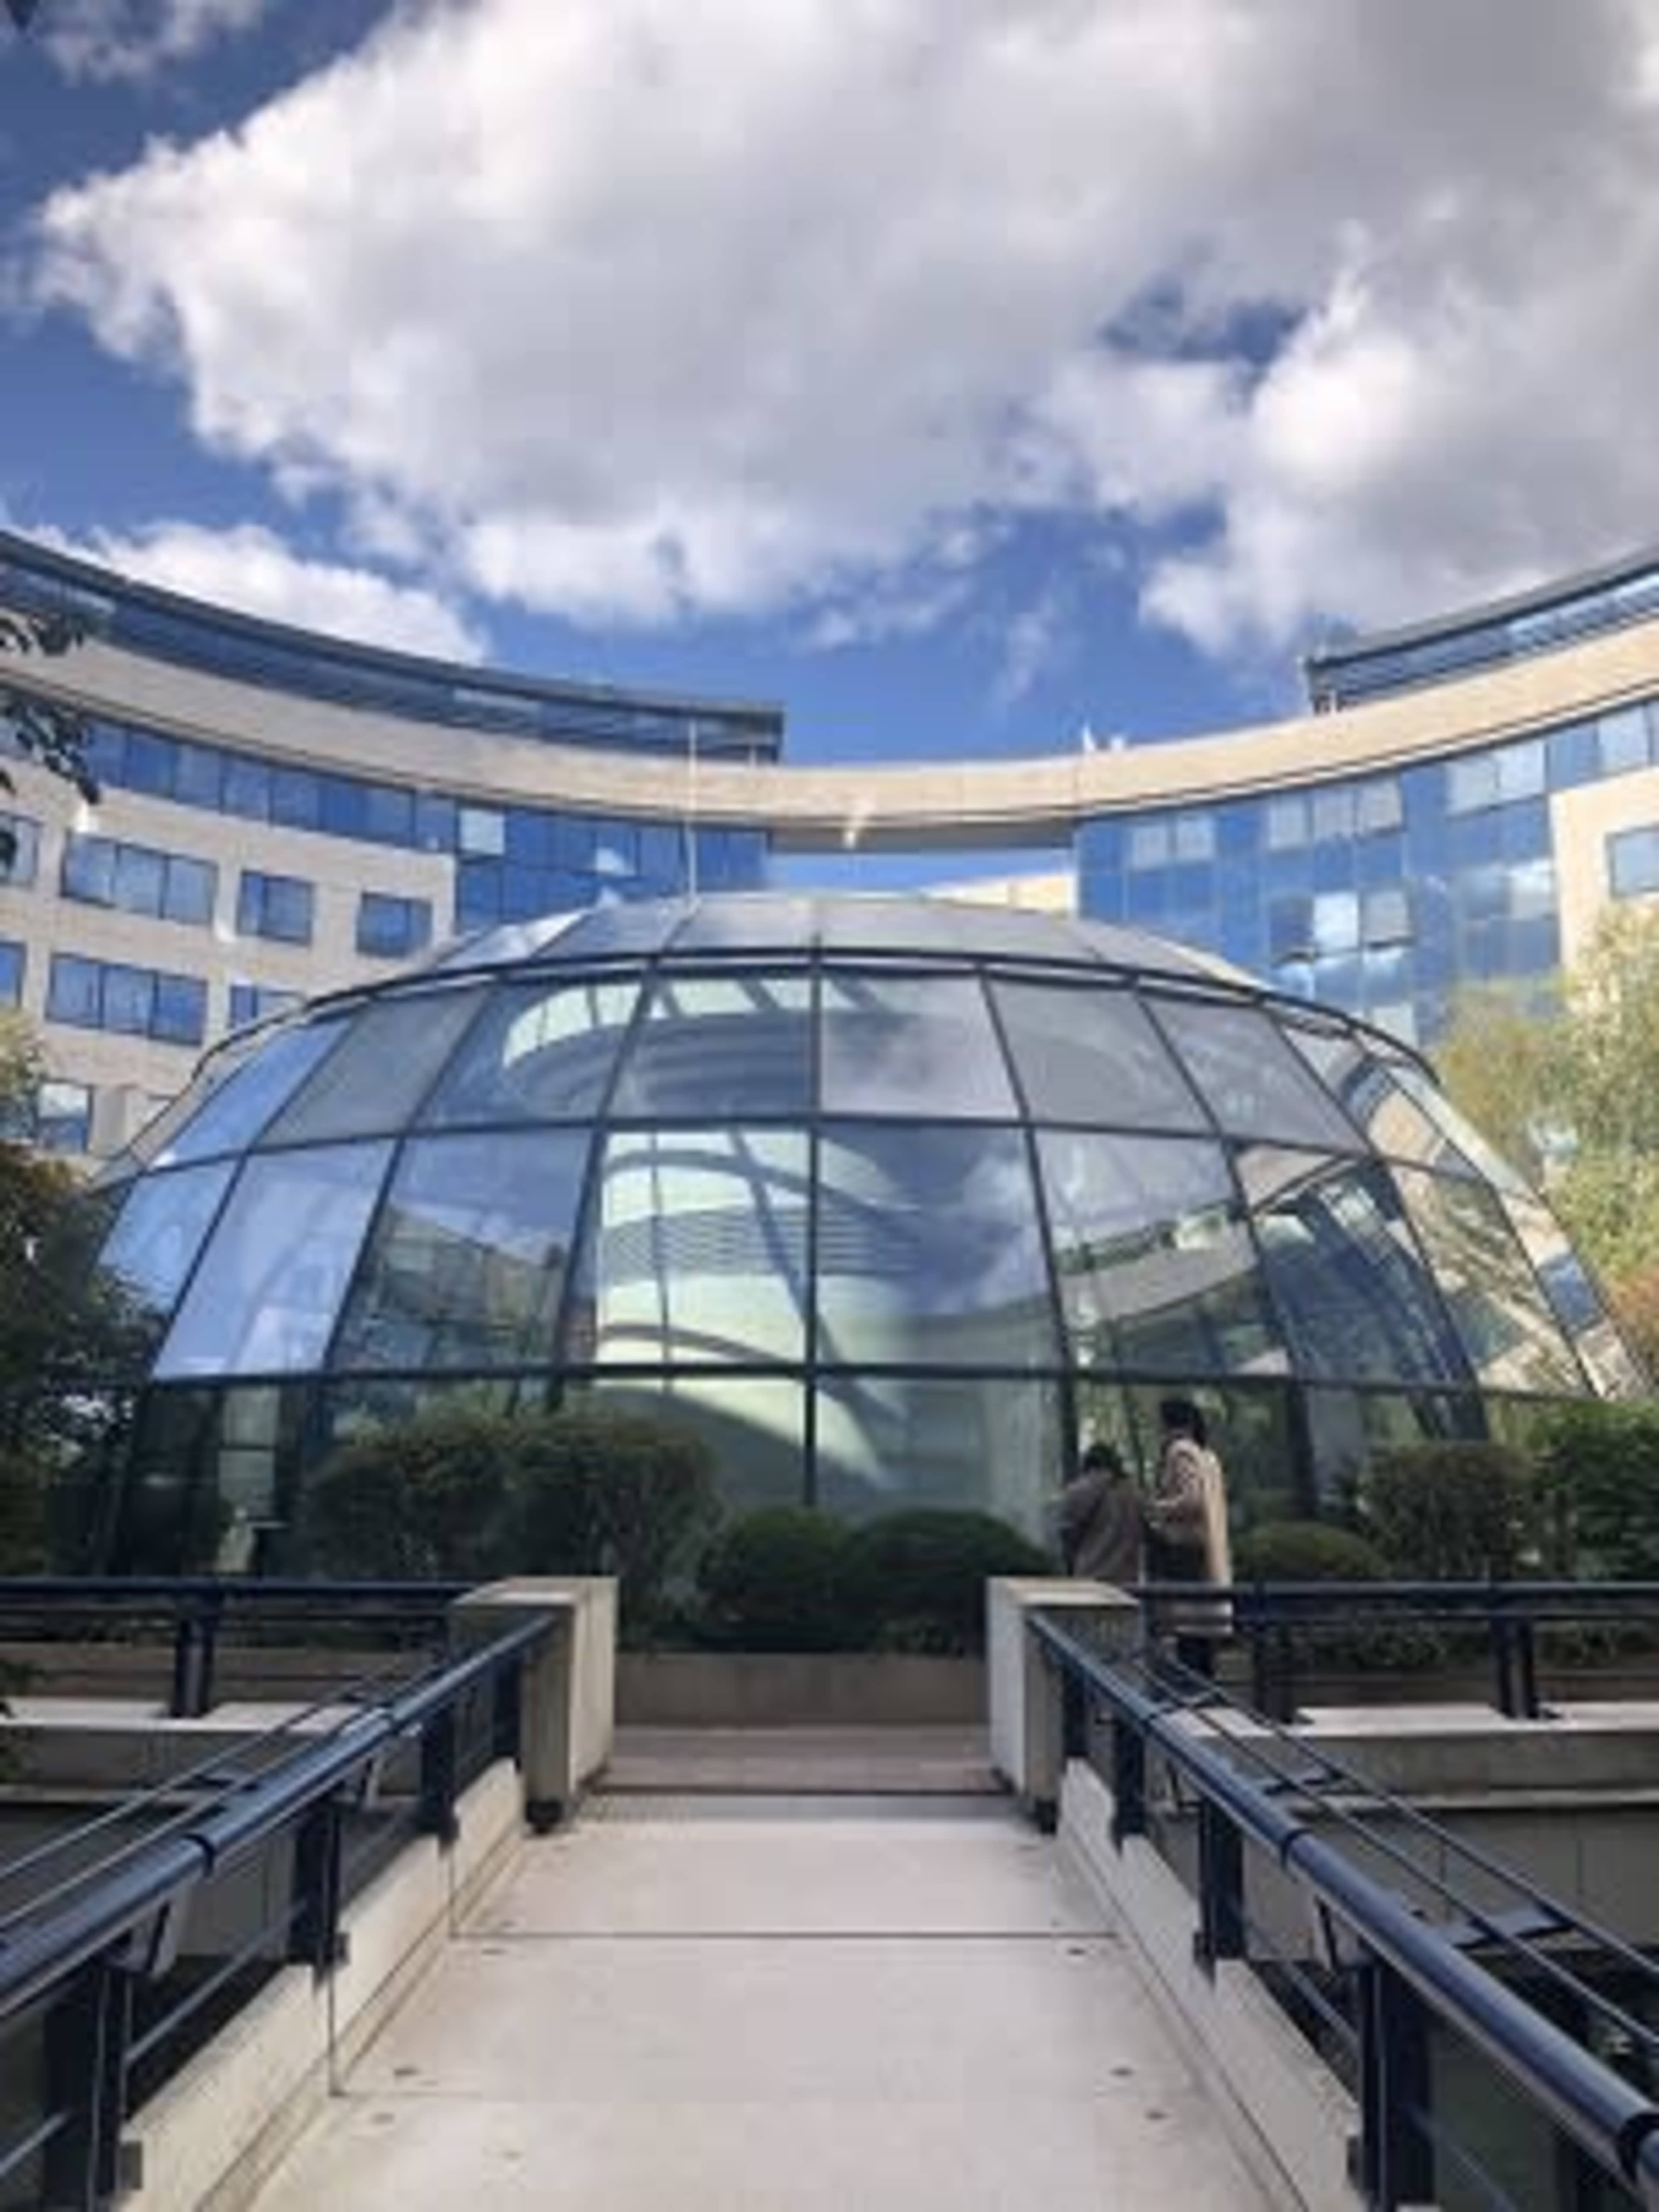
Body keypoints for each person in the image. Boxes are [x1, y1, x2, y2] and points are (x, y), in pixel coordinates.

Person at [1144, 1396, 1232, 1679]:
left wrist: (1158, 1508)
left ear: (1168, 1423)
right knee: (1202, 1631)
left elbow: (1193, 1500)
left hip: (1187, 1552)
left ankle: (1192, 1695)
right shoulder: (1206, 1455)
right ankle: (1205, 1692)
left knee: (1187, 1627)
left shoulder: (1180, 1452)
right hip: (1207, 1553)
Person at [1059, 1440, 1142, 1587]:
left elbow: (1067, 1538)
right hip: (1127, 1585)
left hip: (1090, 1582)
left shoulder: (1078, 1492)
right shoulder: (1133, 1494)